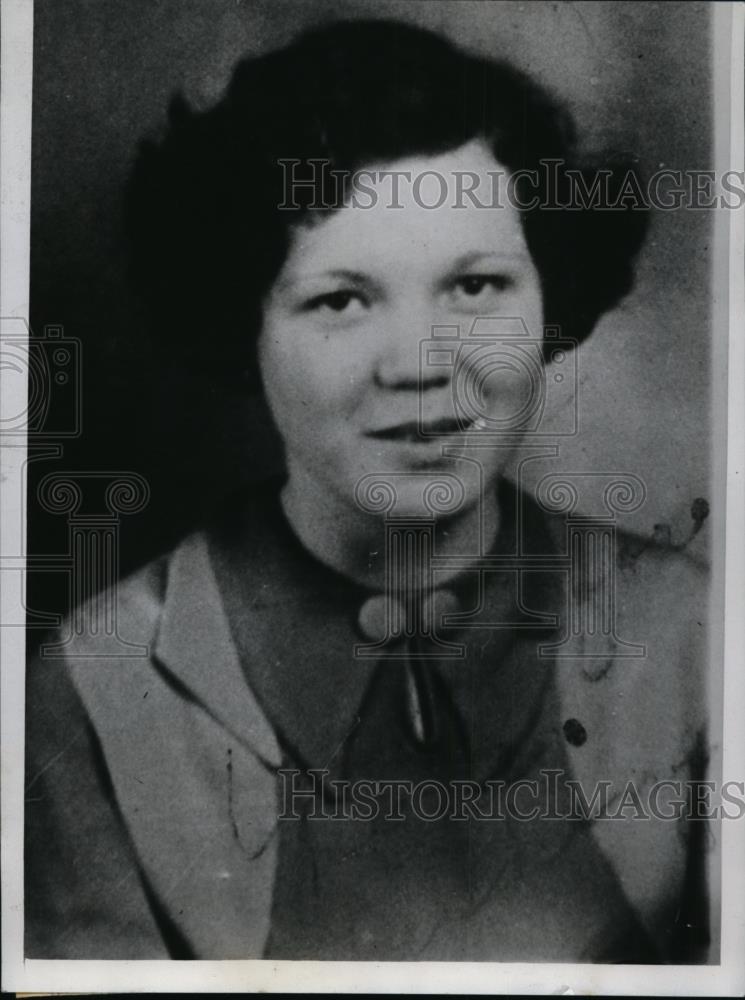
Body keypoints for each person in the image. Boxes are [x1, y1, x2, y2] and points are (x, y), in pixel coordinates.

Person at [25, 18, 712, 962]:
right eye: (340, 300)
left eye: (474, 287)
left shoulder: (698, 637)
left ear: (550, 296)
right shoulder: (100, 683)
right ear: (242, 324)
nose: (419, 367)